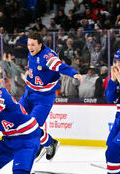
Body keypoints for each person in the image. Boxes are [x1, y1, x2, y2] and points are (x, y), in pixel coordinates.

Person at [20, 32, 82, 161]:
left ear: (40, 45)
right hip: (28, 93)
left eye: (33, 45)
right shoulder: (32, 52)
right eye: (28, 44)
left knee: (32, 126)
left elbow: (60, 66)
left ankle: (50, 143)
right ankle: (38, 145)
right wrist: (29, 74)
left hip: (43, 98)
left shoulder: (48, 57)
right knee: (18, 119)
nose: (30, 47)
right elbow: (35, 67)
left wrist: (74, 74)